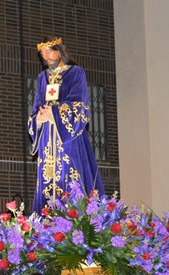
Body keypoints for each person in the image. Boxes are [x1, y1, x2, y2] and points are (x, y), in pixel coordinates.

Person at [27, 36, 105, 213]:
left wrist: (54, 112)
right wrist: (39, 117)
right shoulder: (42, 78)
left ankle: (73, 223)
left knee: (70, 182)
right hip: (47, 138)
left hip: (68, 138)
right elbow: (36, 107)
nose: (46, 57)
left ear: (59, 50)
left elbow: (80, 105)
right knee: (47, 184)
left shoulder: (76, 73)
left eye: (49, 52)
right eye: (42, 54)